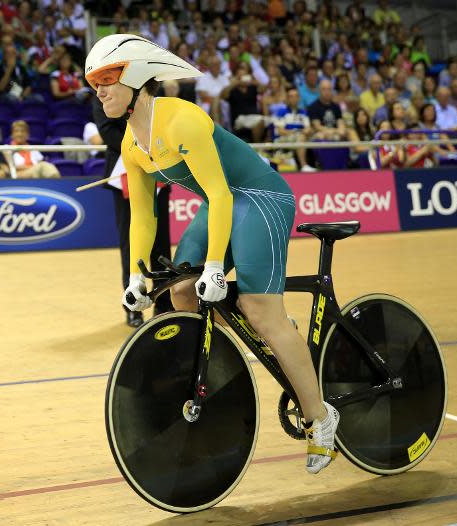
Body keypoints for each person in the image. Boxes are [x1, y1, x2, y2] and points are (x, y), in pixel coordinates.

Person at [85, 34, 339, 473]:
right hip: (219, 204)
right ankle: (275, 330)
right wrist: (135, 279)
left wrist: (218, 267)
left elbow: (221, 194)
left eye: (108, 78)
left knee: (259, 308)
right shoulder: (130, 143)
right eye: (94, 82)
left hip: (258, 197)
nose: (99, 90)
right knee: (182, 292)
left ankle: (321, 416)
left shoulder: (180, 120)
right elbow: (142, 218)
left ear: (138, 77)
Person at [91, 94, 173, 328]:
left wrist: (154, 150)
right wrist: (140, 147)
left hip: (158, 166)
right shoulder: (102, 96)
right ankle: (133, 304)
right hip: (124, 173)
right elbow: (108, 133)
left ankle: (164, 303)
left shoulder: (153, 93)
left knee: (161, 241)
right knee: (131, 242)